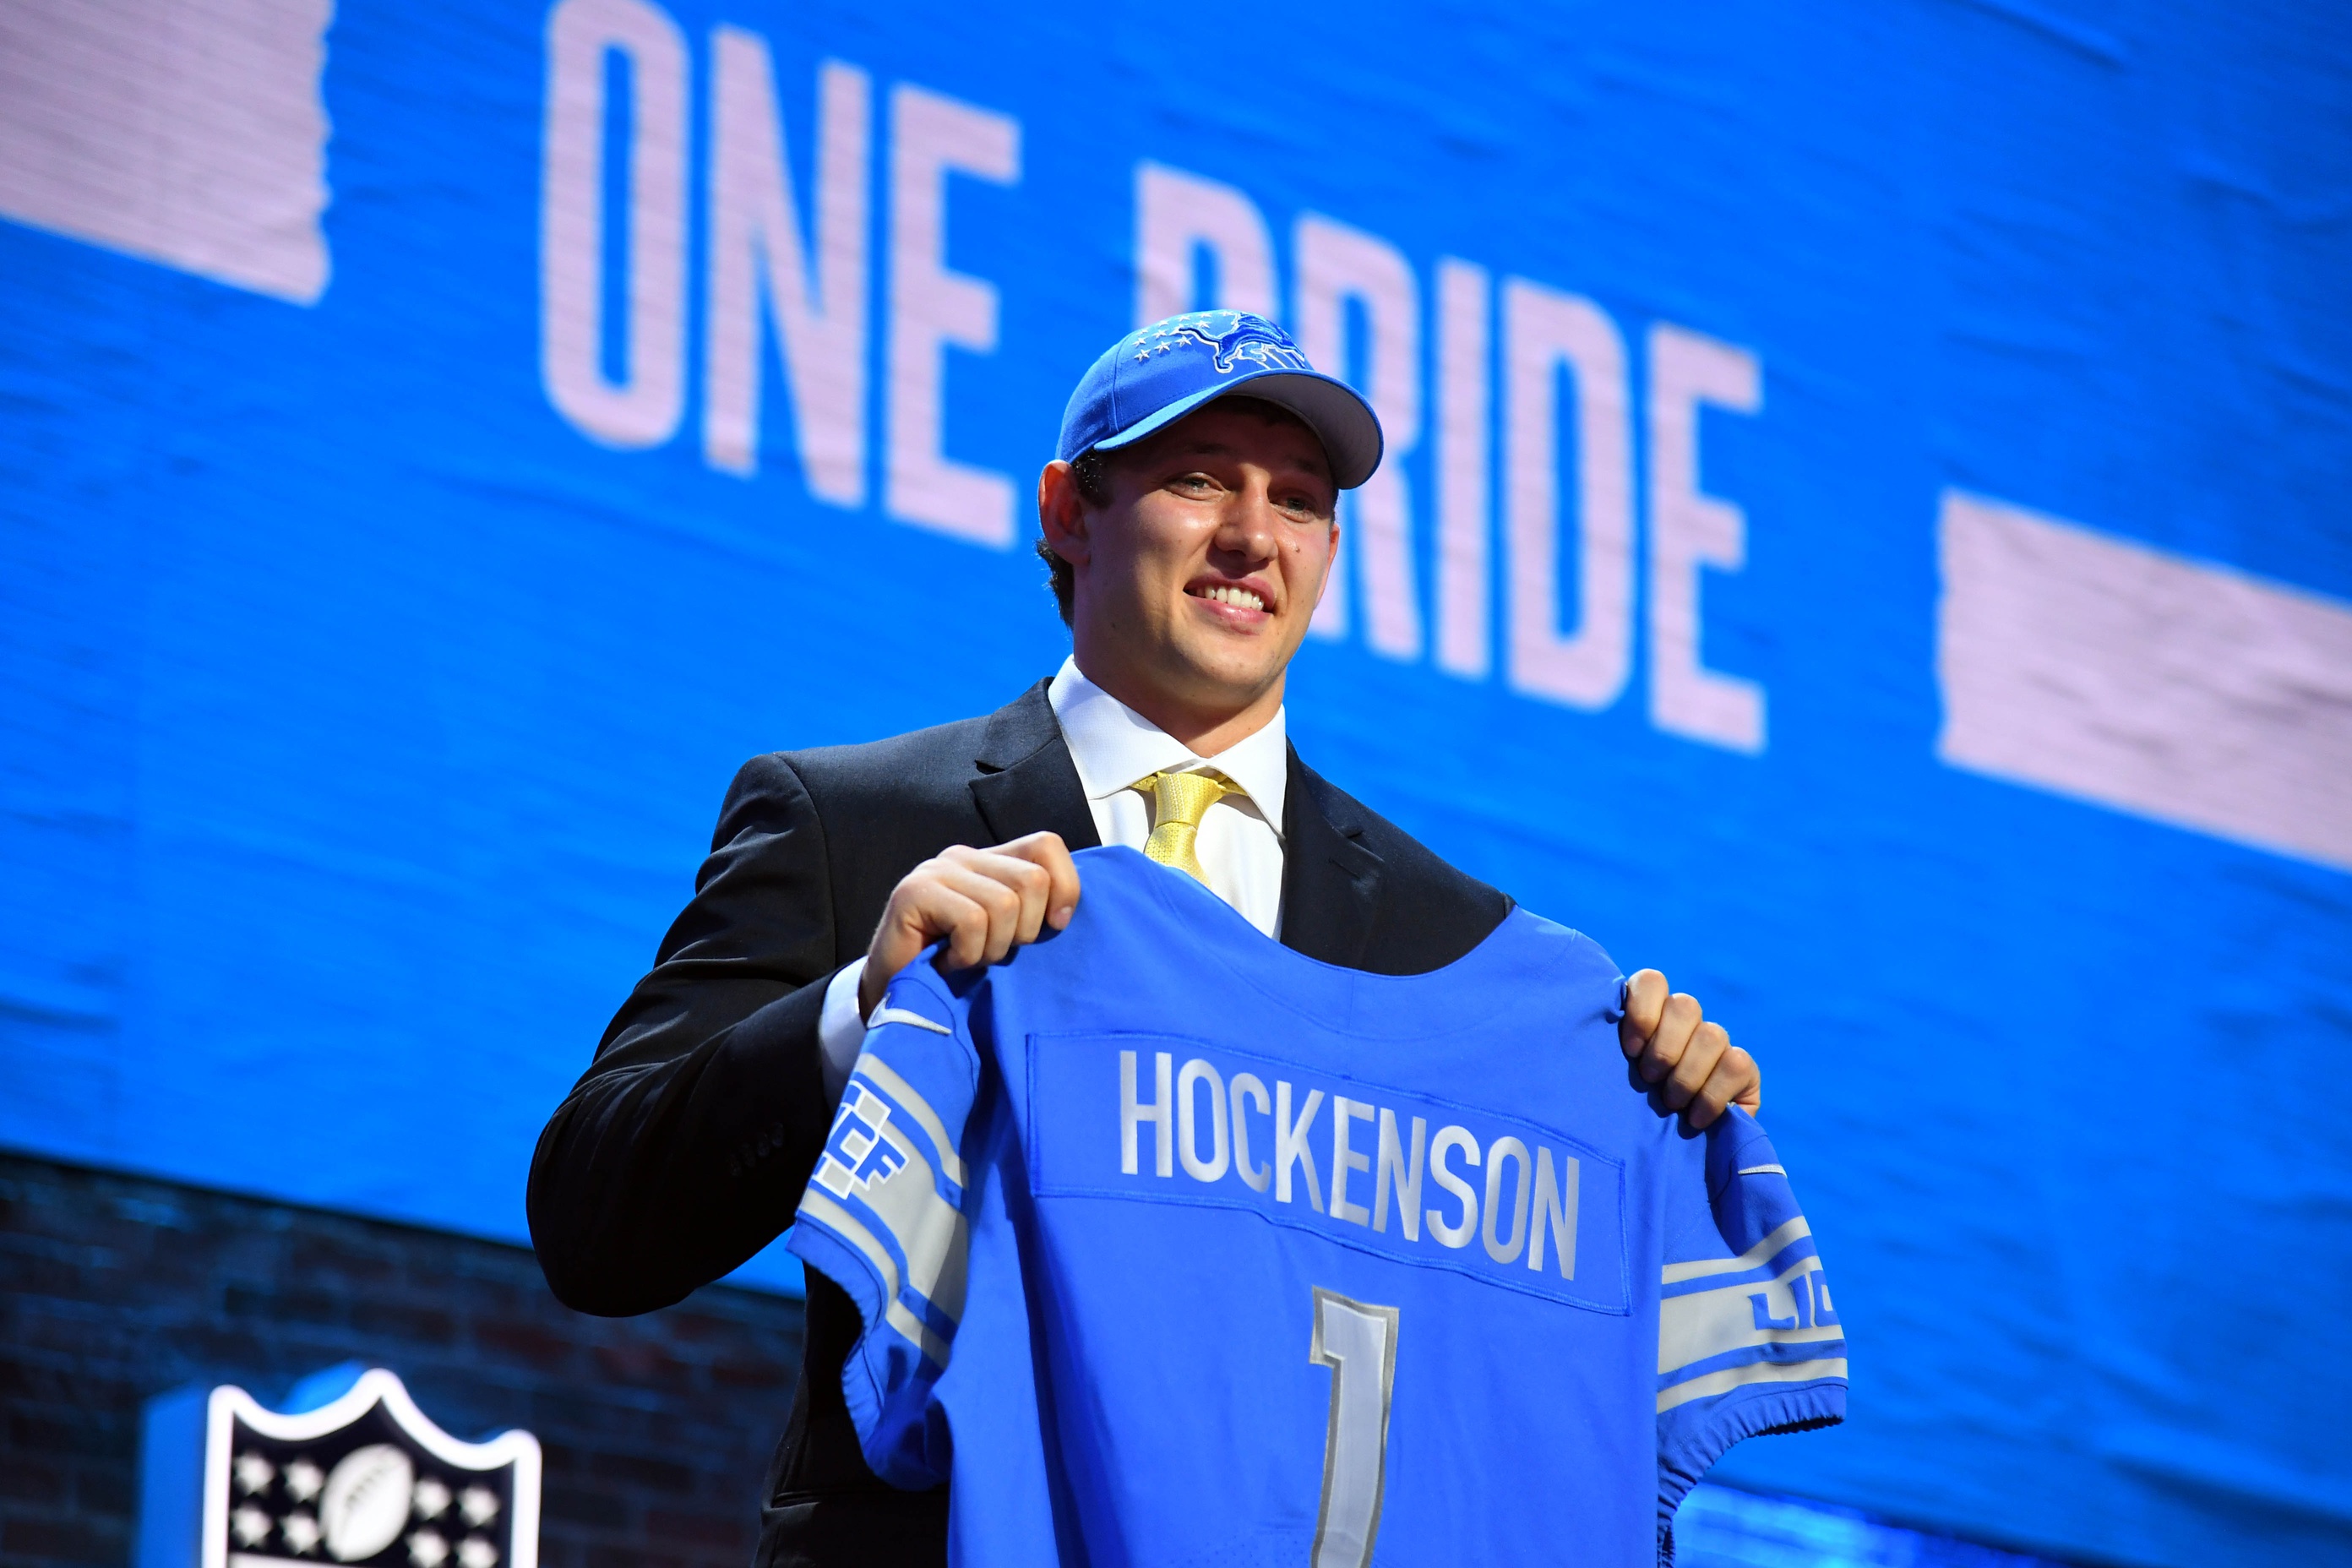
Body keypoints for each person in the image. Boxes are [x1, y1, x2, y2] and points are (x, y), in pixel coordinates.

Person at [527, 310, 1762, 1568]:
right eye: (1199, 480)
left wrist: (1657, 1097)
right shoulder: (856, 824)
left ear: (1329, 552)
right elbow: (593, 1224)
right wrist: (861, 1007)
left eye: (1298, 499)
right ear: (1069, 512)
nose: (1253, 537)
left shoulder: (1447, 940)